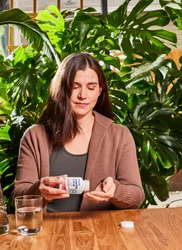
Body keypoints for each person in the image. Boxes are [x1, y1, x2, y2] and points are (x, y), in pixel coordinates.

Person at [12, 52, 144, 212]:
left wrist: (116, 190)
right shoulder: (35, 136)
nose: (83, 95)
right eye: (75, 87)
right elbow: (17, 198)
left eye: (91, 87)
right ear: (62, 90)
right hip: (48, 234)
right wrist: (38, 191)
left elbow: (137, 197)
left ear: (99, 91)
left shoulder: (119, 135)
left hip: (101, 232)